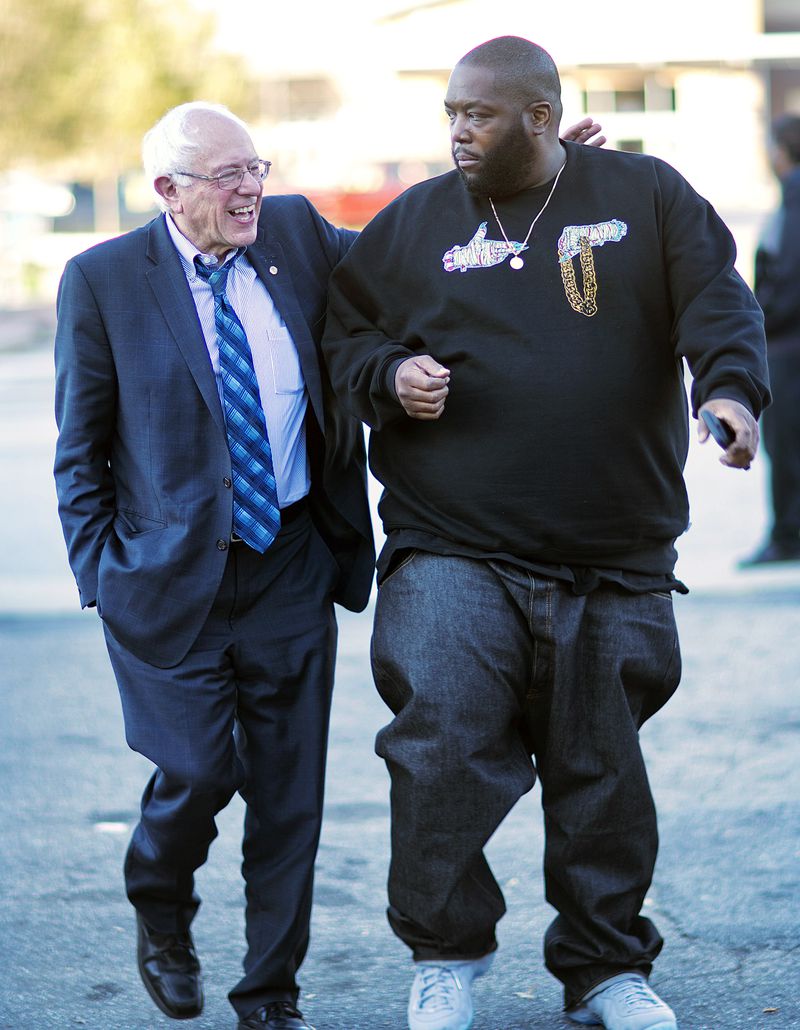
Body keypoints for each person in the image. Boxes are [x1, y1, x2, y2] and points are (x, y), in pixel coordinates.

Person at [321, 36, 769, 1030]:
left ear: (537, 118)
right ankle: (446, 954)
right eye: (446, 113)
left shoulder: (644, 195)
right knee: (436, 742)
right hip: (451, 543)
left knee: (600, 769)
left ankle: (604, 969)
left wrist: (729, 394)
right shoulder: (411, 225)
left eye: (475, 115)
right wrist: (388, 375)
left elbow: (714, 300)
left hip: (612, 549)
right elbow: (342, 330)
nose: (454, 132)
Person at [52, 102, 375, 1030]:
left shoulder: (298, 236)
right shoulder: (104, 280)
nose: (250, 190)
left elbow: (409, 248)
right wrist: (102, 578)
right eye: (227, 176)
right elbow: (81, 449)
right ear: (168, 192)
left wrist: (542, 174)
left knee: (289, 797)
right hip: (166, 580)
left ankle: (270, 995)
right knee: (197, 772)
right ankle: (160, 898)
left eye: (256, 168)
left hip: (291, 562)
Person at [739, 113, 800, 565]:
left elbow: (791, 279)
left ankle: (787, 536)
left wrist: (760, 320)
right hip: (786, 338)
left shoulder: (796, 196)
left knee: (785, 441)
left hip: (787, 343)